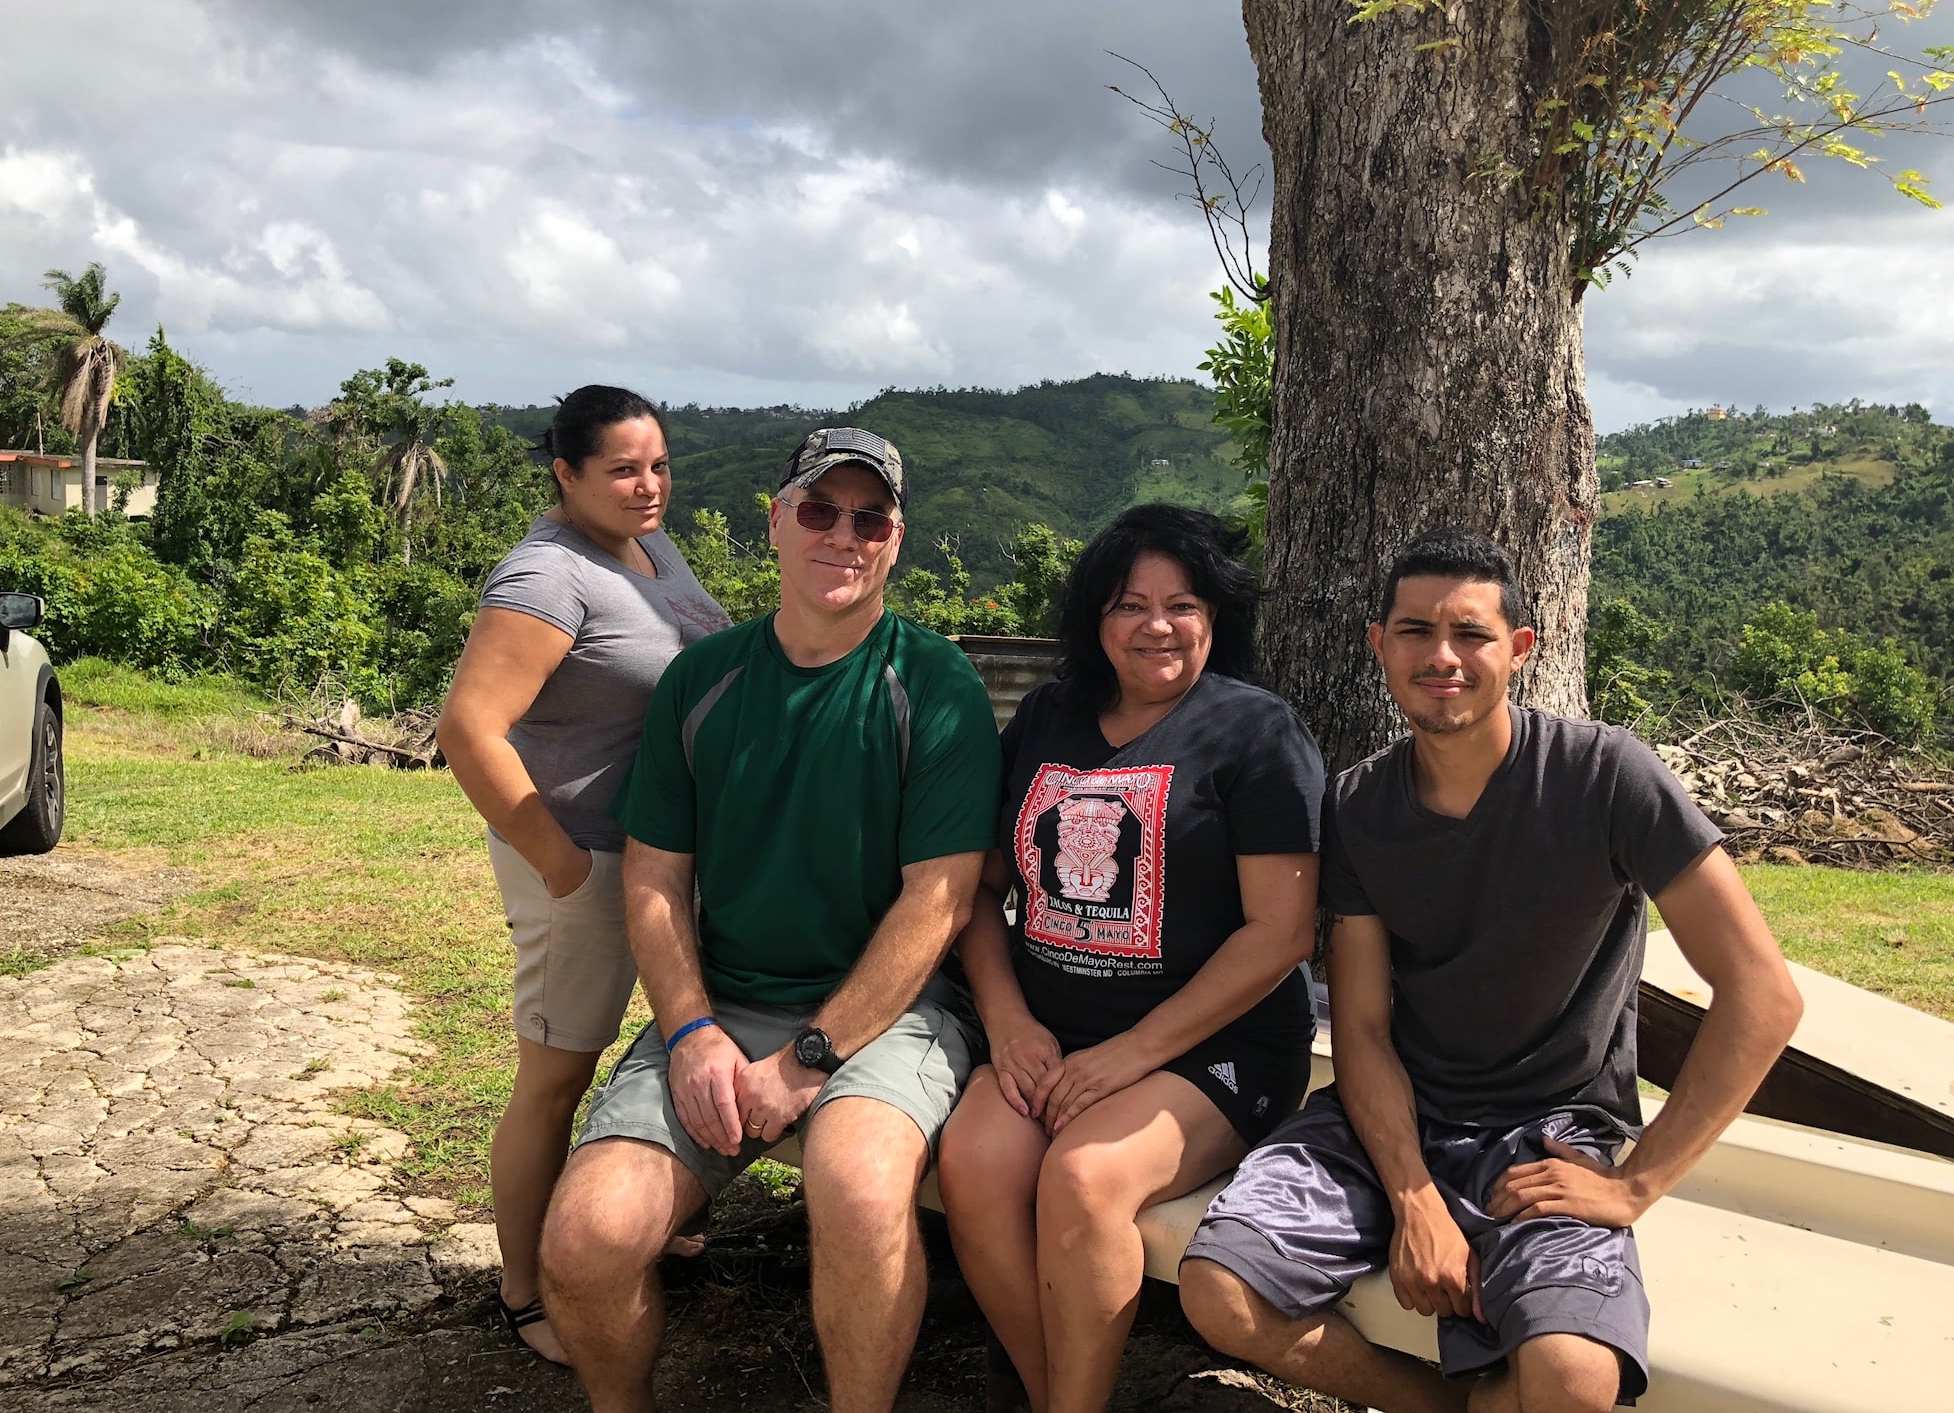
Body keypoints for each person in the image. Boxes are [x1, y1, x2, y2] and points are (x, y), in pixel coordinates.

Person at [1178, 530, 1804, 1413]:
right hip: (1395, 1119)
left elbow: (1763, 994)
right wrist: (1415, 1199)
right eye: (1413, 631)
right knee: (1219, 1290)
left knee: (1574, 1379)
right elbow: (1358, 1026)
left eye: (1469, 633)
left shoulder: (1603, 776)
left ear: (1518, 648)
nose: (1441, 657)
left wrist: (1634, 1184)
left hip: (1548, 1132)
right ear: (1377, 644)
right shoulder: (1358, 805)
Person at [537, 426, 1003, 1413]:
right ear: (778, 521)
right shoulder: (702, 685)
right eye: (820, 510)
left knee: (862, 1190)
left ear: (895, 538)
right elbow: (657, 880)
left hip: (891, 1014)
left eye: (868, 517)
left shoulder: (935, 684)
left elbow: (940, 899)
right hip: (725, 1000)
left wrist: (809, 1058)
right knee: (585, 1241)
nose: (844, 534)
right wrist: (693, 1031)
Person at [937, 504, 1322, 1413]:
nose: (1156, 624)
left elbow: (1281, 931)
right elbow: (980, 890)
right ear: (1093, 622)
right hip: (1046, 1035)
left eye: (1182, 603)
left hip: (1209, 1050)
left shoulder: (1256, 732)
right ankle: (1058, 1398)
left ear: (1214, 617)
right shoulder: (1047, 715)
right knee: (975, 1165)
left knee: (1082, 1176)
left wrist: (1128, 1054)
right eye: (1128, 603)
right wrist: (1007, 1019)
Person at [436, 384, 732, 1363]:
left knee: (669, 1035)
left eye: (659, 466)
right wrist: (561, 863)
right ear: (566, 474)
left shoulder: (648, 550)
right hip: (586, 858)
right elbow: (467, 728)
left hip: (654, 852)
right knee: (554, 1076)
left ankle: (633, 1214)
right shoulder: (547, 576)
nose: (649, 486)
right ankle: (528, 1290)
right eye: (622, 470)